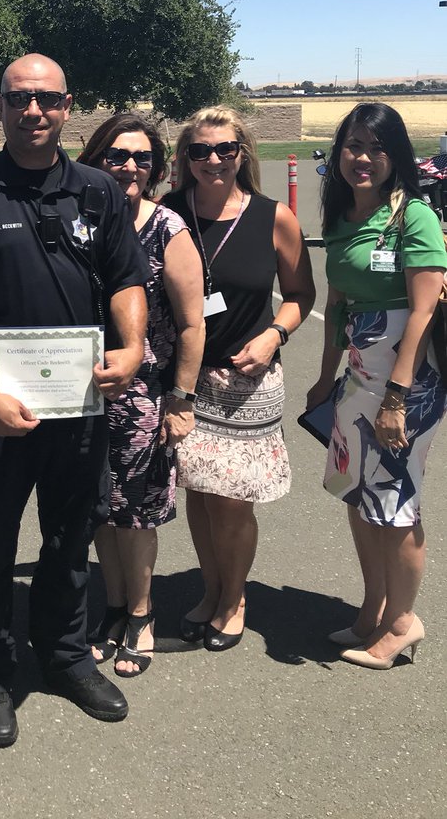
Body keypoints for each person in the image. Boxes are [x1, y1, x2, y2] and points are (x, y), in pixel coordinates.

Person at [0, 54, 147, 748]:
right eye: (20, 99)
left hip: (79, 405)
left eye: (46, 99)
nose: (34, 110)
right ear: (1, 106)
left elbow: (126, 278)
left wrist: (131, 350)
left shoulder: (98, 191)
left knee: (70, 540)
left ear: (68, 105)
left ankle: (66, 655)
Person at [164, 106, 314, 651]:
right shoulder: (169, 213)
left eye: (224, 149)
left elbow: (301, 296)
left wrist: (275, 334)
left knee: (232, 500)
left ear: (242, 153)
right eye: (199, 150)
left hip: (246, 381)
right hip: (185, 380)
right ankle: (209, 589)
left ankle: (235, 599)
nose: (212, 160)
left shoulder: (274, 217)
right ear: (185, 158)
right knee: (200, 495)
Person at [305, 103, 447, 669]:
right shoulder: (343, 218)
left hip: (404, 382)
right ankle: (374, 609)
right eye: (353, 145)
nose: (362, 158)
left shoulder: (414, 217)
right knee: (359, 497)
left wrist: (397, 395)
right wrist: (323, 377)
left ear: (397, 157)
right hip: (358, 378)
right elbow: (338, 304)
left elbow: (424, 309)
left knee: (396, 501)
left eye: (376, 148)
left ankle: (403, 623)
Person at [78, 113, 205, 676]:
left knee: (136, 513)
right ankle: (109, 605)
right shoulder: (78, 221)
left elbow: (193, 324)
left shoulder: (167, 227)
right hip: (76, 391)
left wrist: (180, 396)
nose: (130, 167)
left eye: (142, 159)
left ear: (155, 168)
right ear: (96, 160)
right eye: (117, 156)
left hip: (143, 395)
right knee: (98, 510)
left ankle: (141, 612)